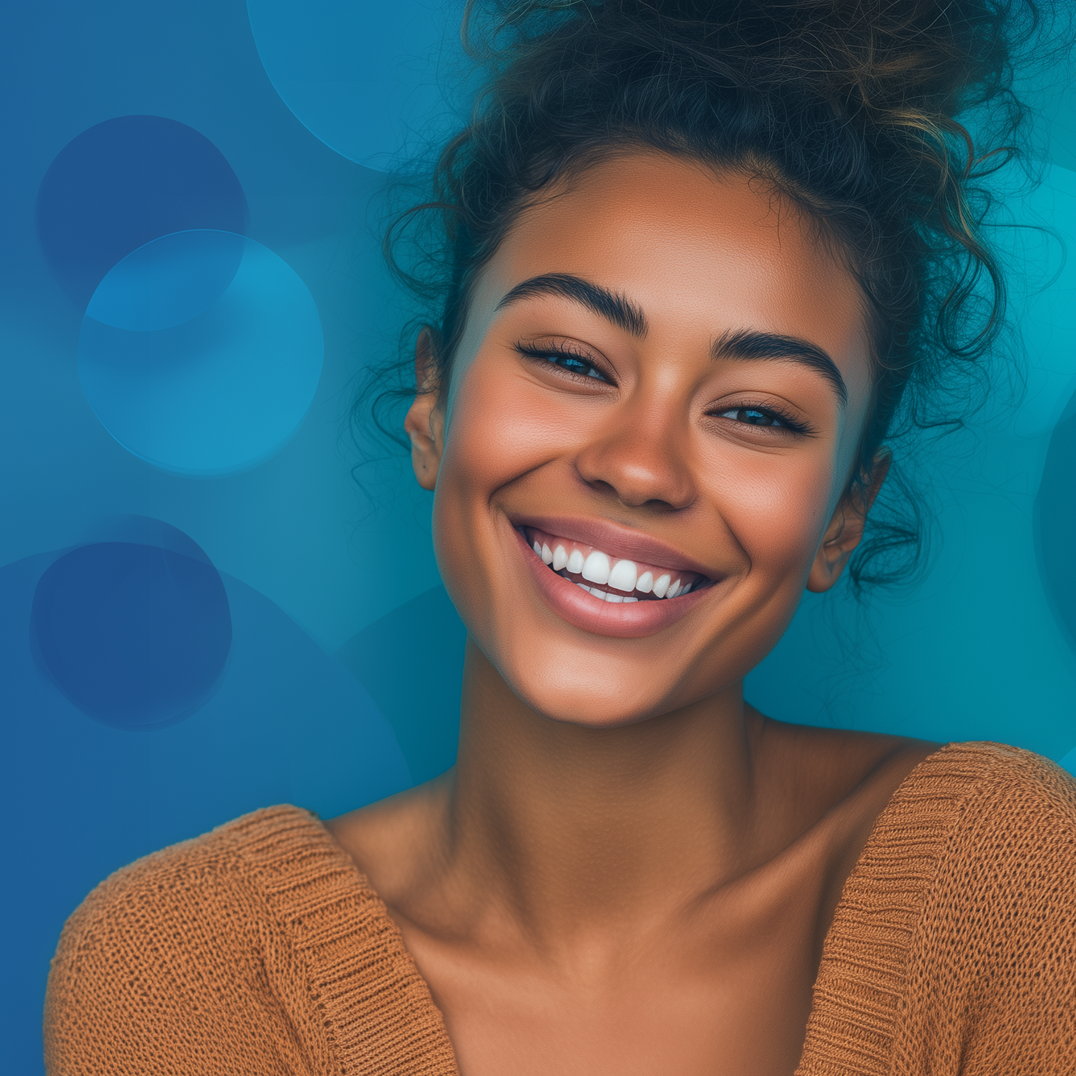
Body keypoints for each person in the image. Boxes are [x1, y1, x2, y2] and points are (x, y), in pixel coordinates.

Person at [44, 1, 1075, 1073]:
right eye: (572, 360)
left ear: (842, 518)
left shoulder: (1018, 889)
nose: (638, 466)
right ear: (433, 402)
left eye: (756, 413)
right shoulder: (186, 966)